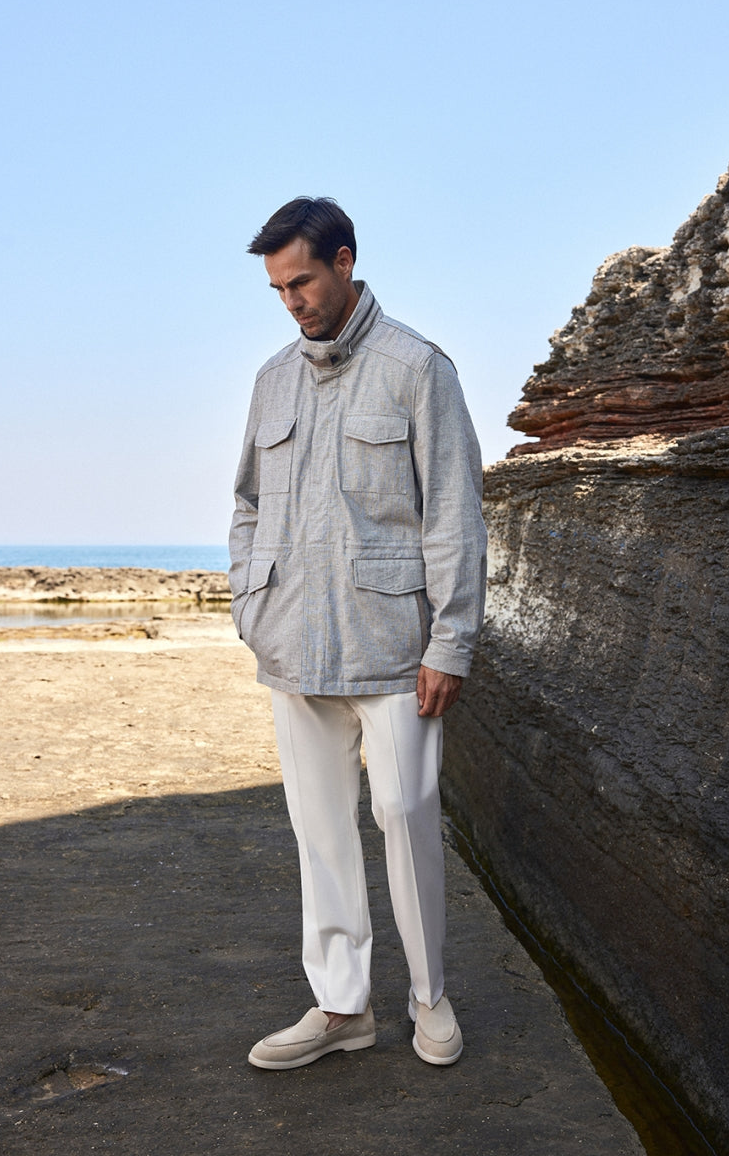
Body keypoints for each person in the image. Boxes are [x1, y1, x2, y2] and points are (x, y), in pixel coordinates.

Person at [229, 197, 487, 1069]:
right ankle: (343, 1009)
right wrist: (248, 602)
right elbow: (247, 506)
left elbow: (455, 513)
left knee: (405, 814)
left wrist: (450, 641)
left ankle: (427, 997)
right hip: (292, 645)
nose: (292, 300)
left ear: (344, 260)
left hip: (393, 646)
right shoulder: (271, 380)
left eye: (301, 279)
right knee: (320, 828)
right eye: (277, 288)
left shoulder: (419, 368)